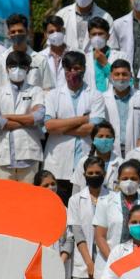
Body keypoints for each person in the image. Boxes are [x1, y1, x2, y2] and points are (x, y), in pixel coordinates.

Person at [44, 51, 106, 201]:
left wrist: (62, 127)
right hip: (58, 164)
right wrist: (83, 119)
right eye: (69, 69)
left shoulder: (95, 95)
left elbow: (93, 129)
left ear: (84, 69)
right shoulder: (53, 95)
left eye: (77, 68)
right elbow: (49, 126)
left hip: (85, 163)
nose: (73, 73)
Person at [0, 51, 45, 183]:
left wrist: (6, 117)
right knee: (5, 200)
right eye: (13, 66)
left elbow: (39, 117)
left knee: (29, 200)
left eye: (22, 67)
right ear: (7, 69)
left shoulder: (36, 91)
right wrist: (28, 119)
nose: (17, 70)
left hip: (29, 156)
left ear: (28, 70)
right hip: (3, 158)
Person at [69, 156, 110, 279]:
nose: (94, 176)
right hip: (83, 267)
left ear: (104, 174)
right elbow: (77, 233)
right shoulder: (75, 200)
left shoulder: (113, 198)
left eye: (98, 172)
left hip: (107, 263)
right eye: (90, 173)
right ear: (84, 175)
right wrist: (89, 263)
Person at [0, 14, 53, 90]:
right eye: (13, 32)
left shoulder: (40, 61)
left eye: (20, 31)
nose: (17, 34)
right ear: (8, 34)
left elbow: (48, 89)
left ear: (27, 32)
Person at [101, 60, 140, 156]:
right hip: (111, 150)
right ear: (111, 76)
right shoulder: (102, 99)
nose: (121, 78)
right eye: (117, 74)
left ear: (130, 76)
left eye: (124, 74)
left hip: (137, 150)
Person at [83, 18, 130, 94]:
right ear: (89, 36)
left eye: (101, 34)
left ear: (108, 36)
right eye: (94, 34)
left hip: (114, 100)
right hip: (92, 102)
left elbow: (129, 83)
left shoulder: (122, 56)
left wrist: (105, 65)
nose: (97, 38)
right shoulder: (84, 59)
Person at [71, 122, 120, 191]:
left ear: (113, 140)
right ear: (93, 139)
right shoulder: (83, 161)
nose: (104, 139)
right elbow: (76, 190)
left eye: (108, 136)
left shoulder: (120, 163)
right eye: (100, 136)